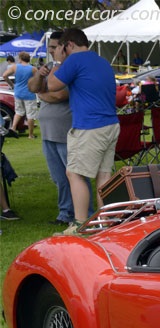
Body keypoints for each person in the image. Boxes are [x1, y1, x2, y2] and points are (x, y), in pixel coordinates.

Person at [38, 27, 118, 227]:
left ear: (69, 45)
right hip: (110, 124)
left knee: (74, 173)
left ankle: (80, 225)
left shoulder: (74, 59)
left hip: (89, 126)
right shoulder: (101, 61)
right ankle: (104, 223)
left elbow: (52, 85)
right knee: (104, 175)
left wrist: (57, 61)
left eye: (60, 48)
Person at [27, 30, 79, 228]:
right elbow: (31, 87)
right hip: (48, 132)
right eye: (49, 48)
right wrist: (40, 79)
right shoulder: (49, 67)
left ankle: (79, 213)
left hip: (65, 131)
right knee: (58, 177)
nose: (51, 51)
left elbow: (59, 95)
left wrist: (42, 94)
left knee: (73, 175)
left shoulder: (70, 69)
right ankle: (65, 212)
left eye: (55, 47)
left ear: (65, 47)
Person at [3, 52, 38, 139]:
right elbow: (39, 79)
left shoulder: (15, 67)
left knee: (18, 112)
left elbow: (4, 75)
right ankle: (30, 135)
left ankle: (13, 128)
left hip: (18, 92)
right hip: (29, 93)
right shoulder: (33, 69)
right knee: (30, 114)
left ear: (21, 59)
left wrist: (11, 85)